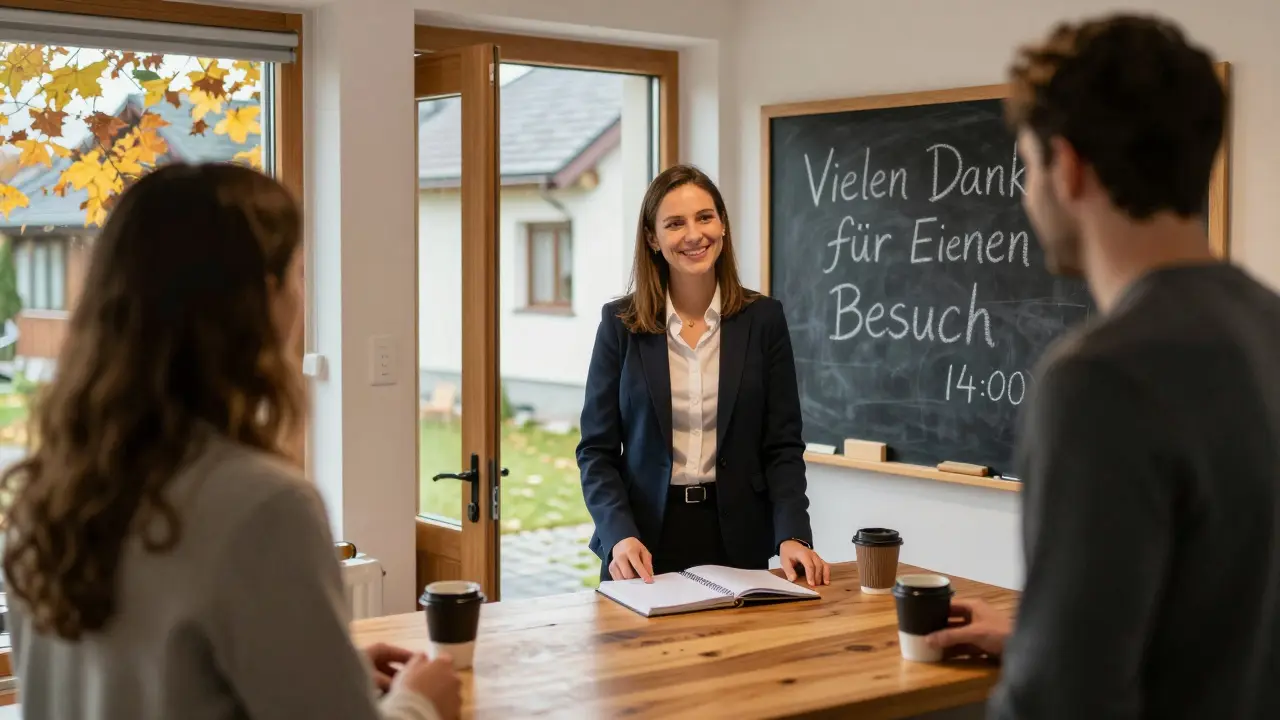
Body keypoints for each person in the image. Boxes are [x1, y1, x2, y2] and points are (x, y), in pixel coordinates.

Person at [1, 163, 461, 720]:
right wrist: (419, 702)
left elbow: (141, 675)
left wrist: (317, 668)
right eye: (296, 275)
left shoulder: (48, 493)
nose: (301, 297)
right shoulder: (263, 506)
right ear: (262, 301)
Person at [925, 14, 1280, 718]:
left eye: (1028, 166)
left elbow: (1064, 699)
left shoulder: (1099, 379)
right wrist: (1035, 636)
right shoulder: (1268, 326)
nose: (1028, 195)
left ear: (1070, 166)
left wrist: (1046, 659)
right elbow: (1218, 612)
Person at [577, 164, 829, 587]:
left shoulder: (764, 319)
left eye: (705, 217)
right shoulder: (620, 324)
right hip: (640, 546)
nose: (694, 235)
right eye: (675, 224)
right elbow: (596, 451)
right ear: (653, 239)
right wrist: (617, 533)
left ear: (723, 226)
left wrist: (792, 533)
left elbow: (782, 446)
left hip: (738, 540)